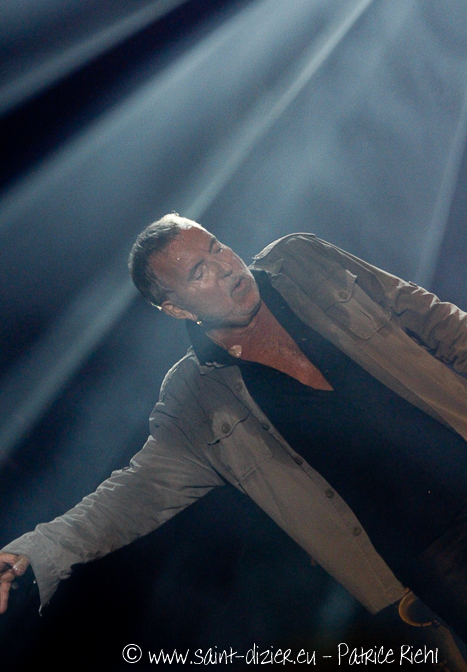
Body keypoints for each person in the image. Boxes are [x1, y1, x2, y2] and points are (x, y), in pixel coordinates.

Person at [2, 213, 467, 642]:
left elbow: (432, 319)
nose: (225, 267)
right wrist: (36, 551)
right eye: (198, 272)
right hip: (431, 552)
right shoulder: (194, 399)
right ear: (176, 309)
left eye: (217, 247)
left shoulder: (302, 261)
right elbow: (134, 494)